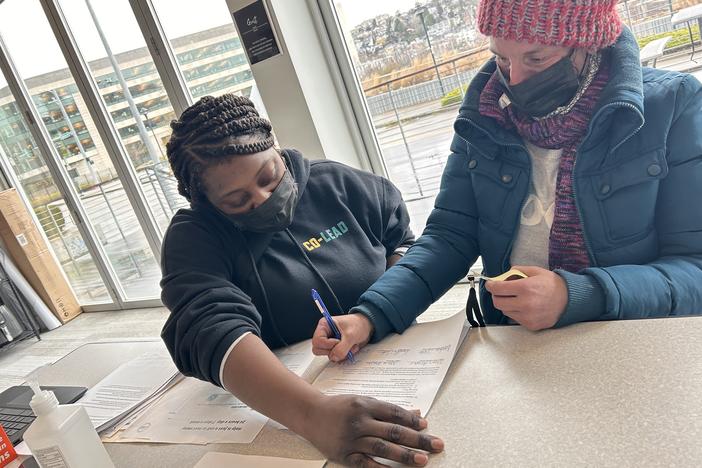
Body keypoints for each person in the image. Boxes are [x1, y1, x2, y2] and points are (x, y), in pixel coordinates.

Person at [313, 0, 702, 361]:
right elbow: (450, 236)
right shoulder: (483, 114)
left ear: (589, 45)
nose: (513, 80)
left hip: (635, 343)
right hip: (515, 345)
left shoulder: (672, 106)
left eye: (536, 58)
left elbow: (694, 269)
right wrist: (371, 314)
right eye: (500, 57)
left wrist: (578, 294)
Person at [160, 94, 444, 466]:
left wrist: (380, 312)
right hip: (290, 395)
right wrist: (312, 414)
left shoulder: (338, 183)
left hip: (408, 367)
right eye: (236, 200)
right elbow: (207, 326)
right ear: (206, 203)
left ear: (275, 146)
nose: (263, 199)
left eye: (269, 176)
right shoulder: (196, 237)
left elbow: (402, 242)